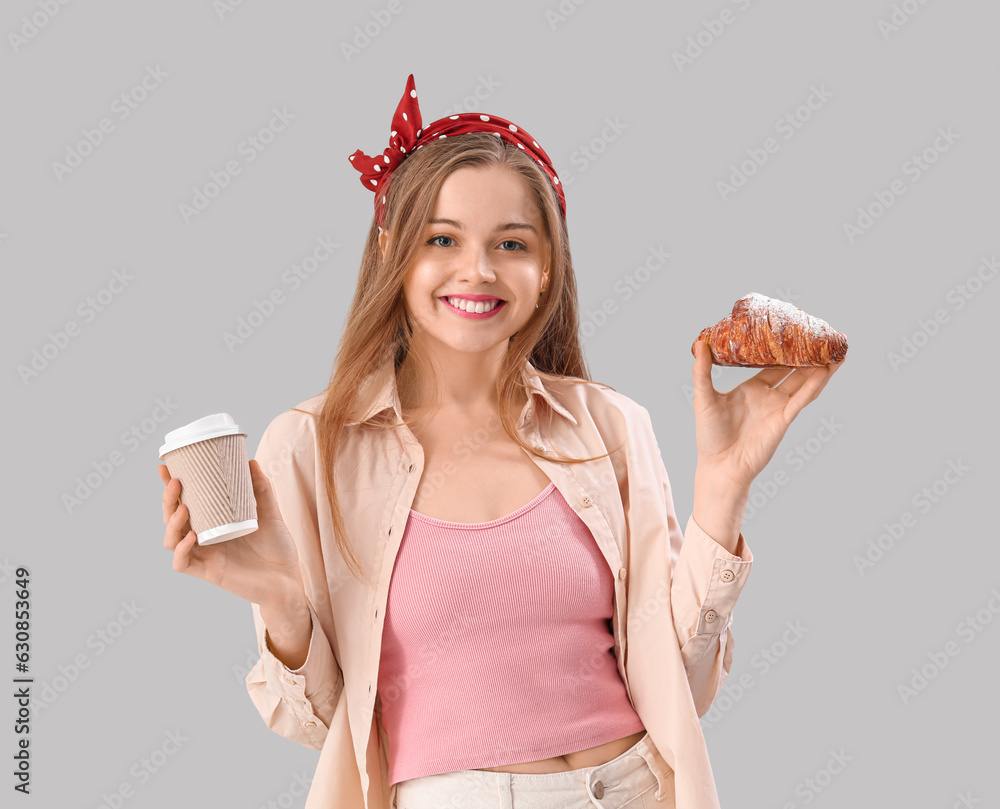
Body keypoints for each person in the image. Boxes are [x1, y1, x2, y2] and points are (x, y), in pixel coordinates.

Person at [157, 74, 845, 809]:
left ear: (545, 264)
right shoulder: (313, 445)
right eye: (442, 239)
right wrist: (281, 600)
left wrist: (722, 488)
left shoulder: (612, 425)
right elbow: (323, 722)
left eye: (510, 243)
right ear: (392, 250)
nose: (477, 270)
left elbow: (681, 684)